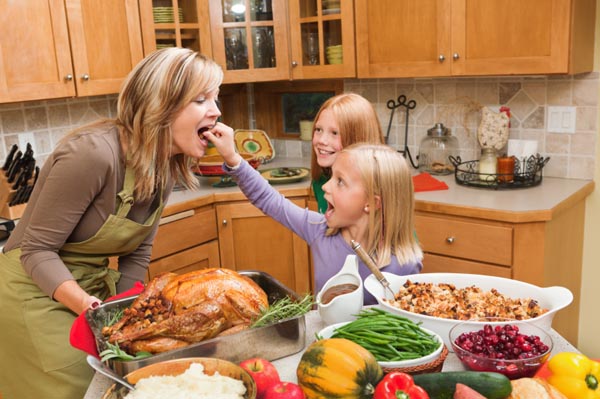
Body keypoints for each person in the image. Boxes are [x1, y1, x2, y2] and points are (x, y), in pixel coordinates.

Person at [0, 47, 223, 399]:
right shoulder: (91, 155)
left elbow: (138, 252)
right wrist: (97, 313)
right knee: (84, 388)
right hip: (33, 294)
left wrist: (126, 318)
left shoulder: (165, 163)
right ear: (160, 104)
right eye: (201, 99)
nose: (217, 111)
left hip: (89, 297)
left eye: (215, 98)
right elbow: (37, 251)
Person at [205, 125, 423, 305]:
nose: (326, 186)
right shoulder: (320, 230)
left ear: (371, 204)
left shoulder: (405, 263)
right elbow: (270, 200)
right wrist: (232, 157)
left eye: (340, 181)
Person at [310, 93, 384, 213]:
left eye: (334, 133)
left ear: (358, 138)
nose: (321, 140)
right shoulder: (321, 182)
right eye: (318, 130)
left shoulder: (377, 192)